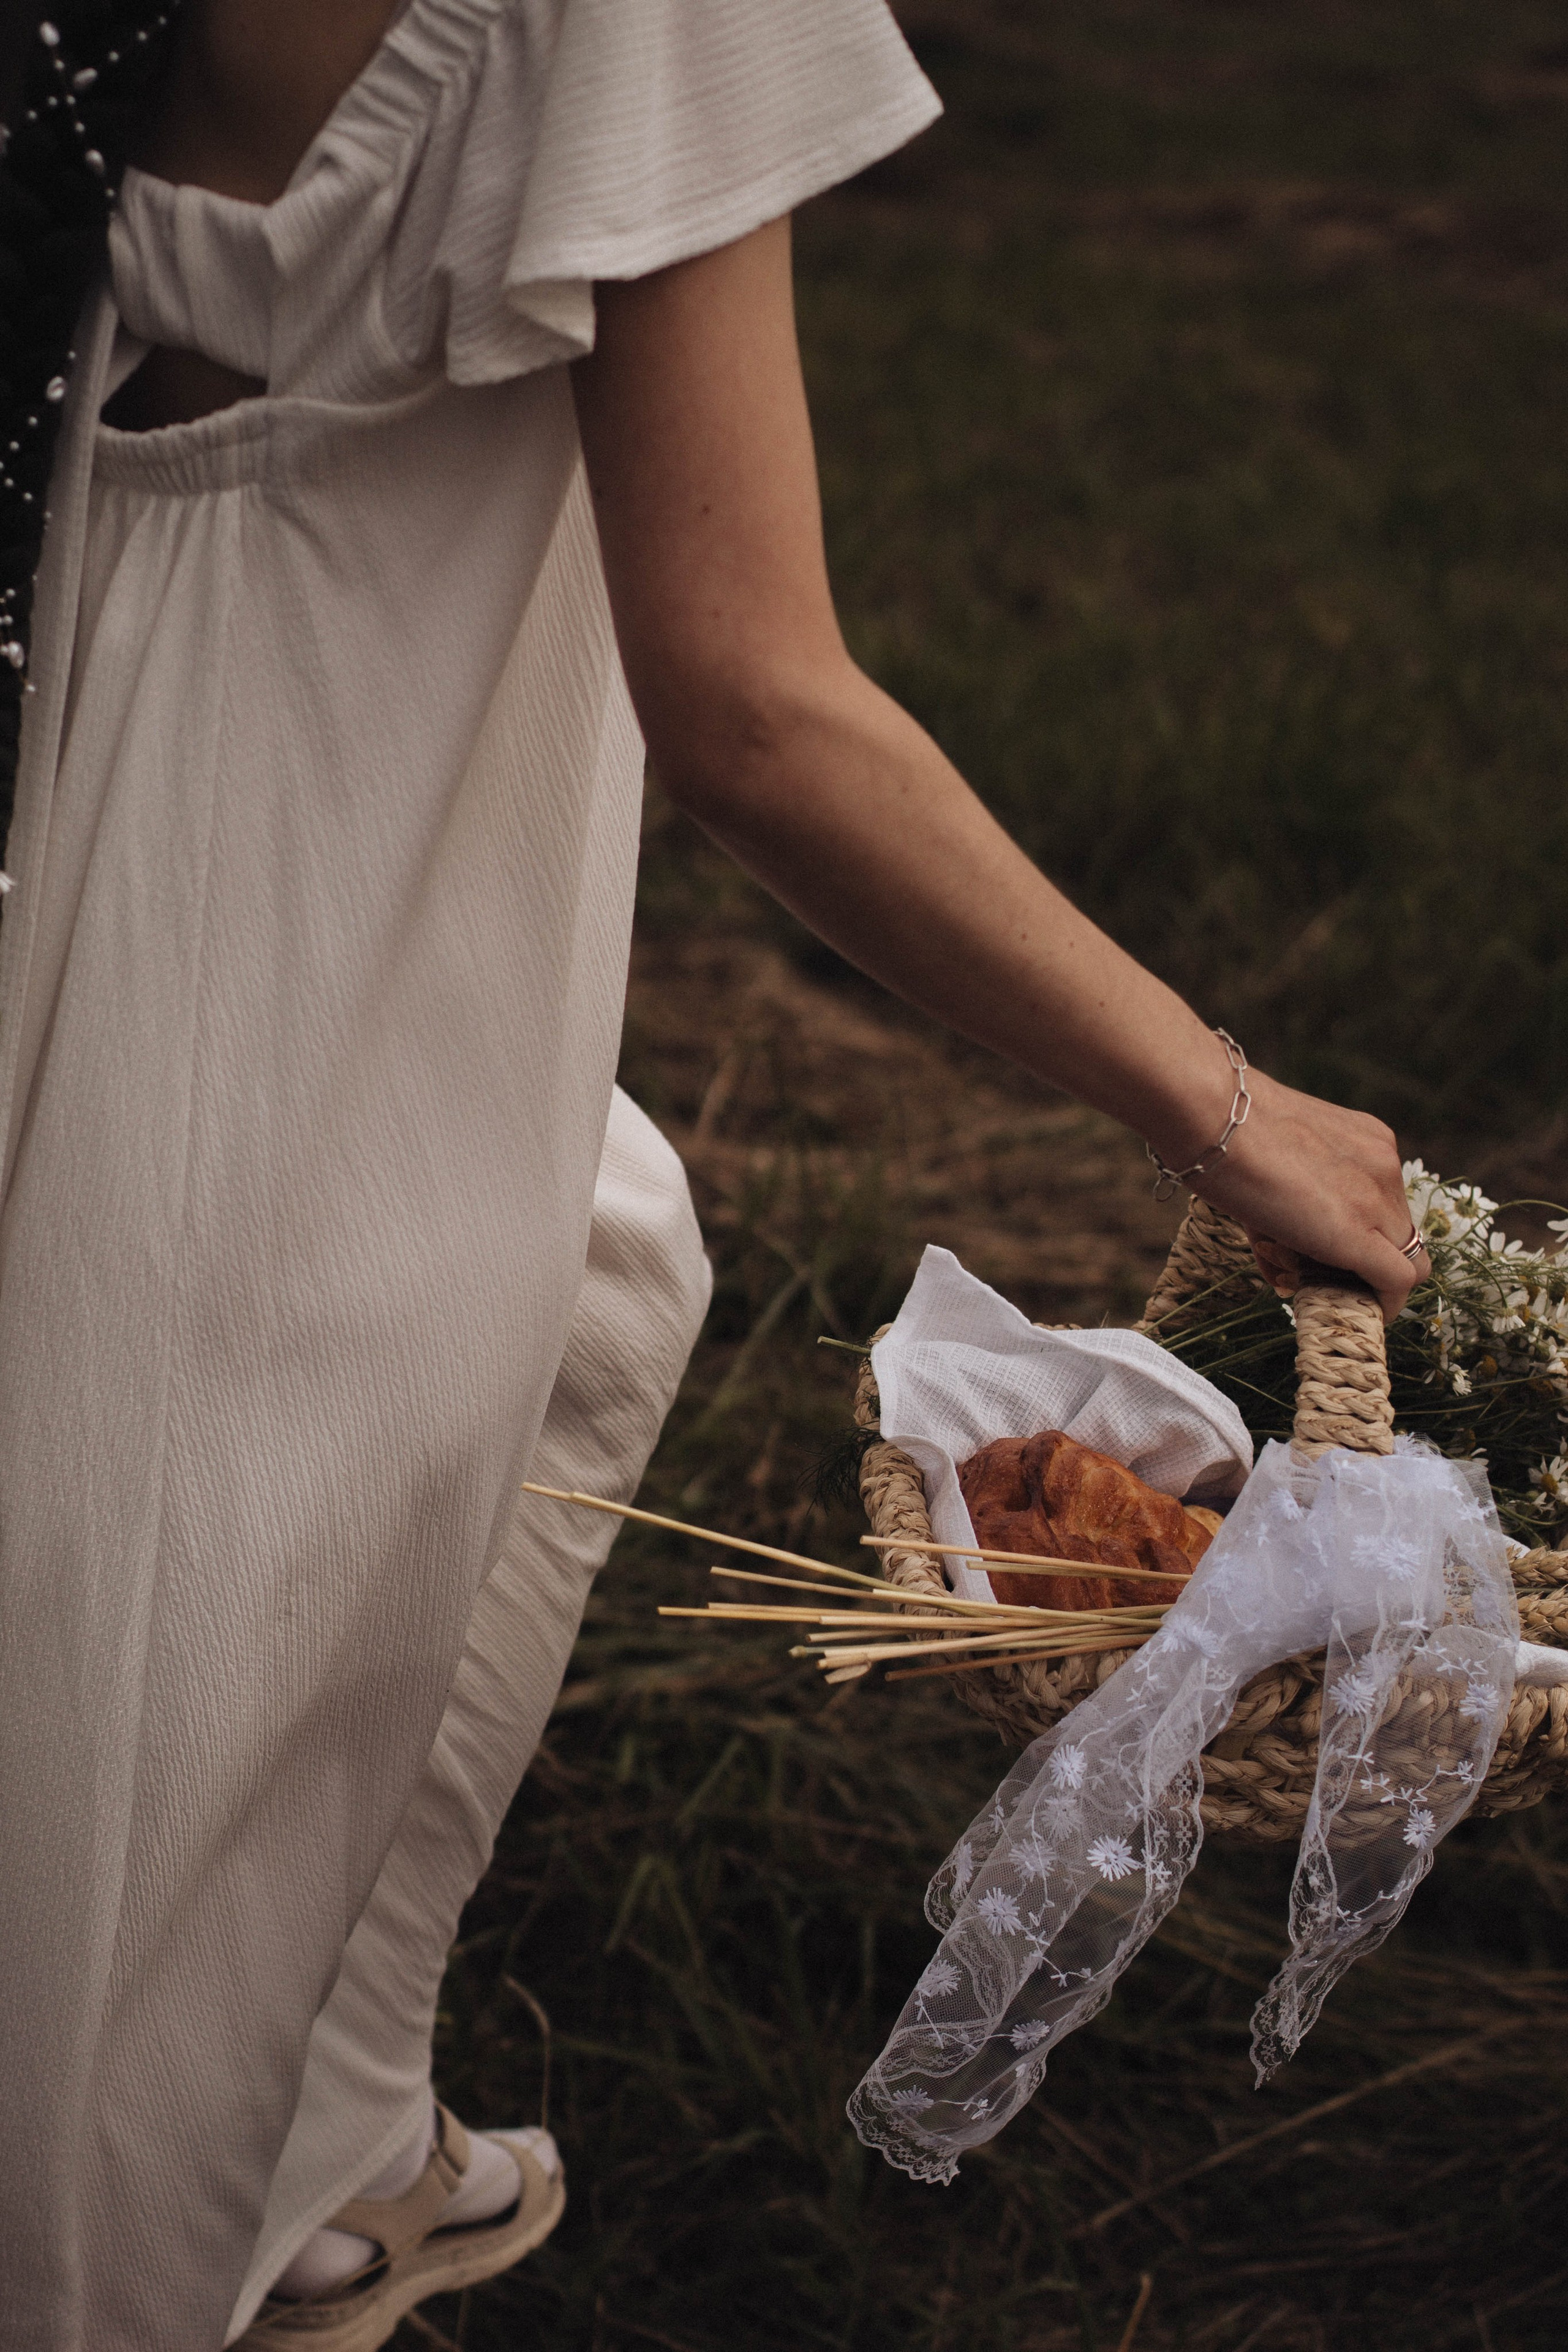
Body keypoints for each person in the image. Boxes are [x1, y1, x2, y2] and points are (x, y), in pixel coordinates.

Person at [0, 1, 1428, 2345]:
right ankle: (146, 2218)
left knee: (600, 1256)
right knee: (127, 1708)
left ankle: (329, 2105)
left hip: (96, 705)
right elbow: (755, 706)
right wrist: (1229, 1108)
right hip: (276, 887)